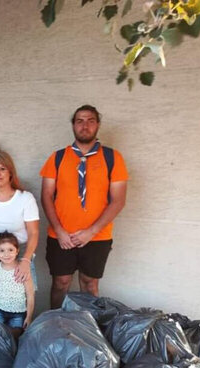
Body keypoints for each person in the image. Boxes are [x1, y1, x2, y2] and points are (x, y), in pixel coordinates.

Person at [40, 105, 128, 308]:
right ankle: (56, 327)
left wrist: (91, 232)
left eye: (90, 120)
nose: (85, 125)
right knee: (60, 284)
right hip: (61, 236)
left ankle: (88, 329)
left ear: (97, 125)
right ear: (73, 125)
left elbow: (118, 200)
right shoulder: (58, 157)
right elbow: (46, 196)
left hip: (97, 236)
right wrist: (60, 231)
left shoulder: (113, 158)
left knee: (90, 285)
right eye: (79, 120)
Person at [0, 151, 39, 284]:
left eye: (2, 169)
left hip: (19, 254)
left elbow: (33, 232)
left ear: (10, 171)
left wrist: (26, 260)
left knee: (22, 297)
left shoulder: (25, 198)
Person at [0, 231, 35, 340]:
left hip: (18, 313)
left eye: (10, 250)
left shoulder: (23, 270)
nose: (6, 254)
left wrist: (29, 317)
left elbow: (30, 294)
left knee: (15, 338)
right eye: (2, 250)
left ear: (17, 251)